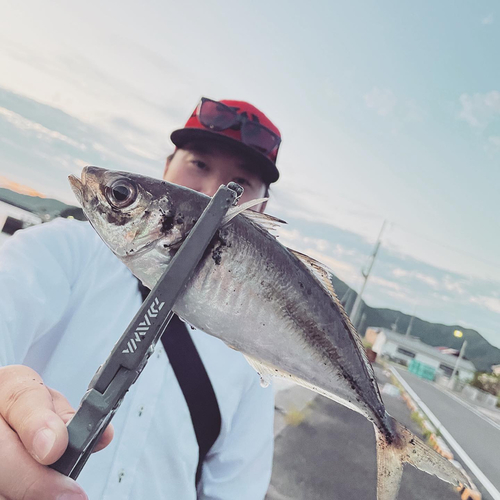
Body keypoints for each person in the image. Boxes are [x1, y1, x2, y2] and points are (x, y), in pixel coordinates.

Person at [0, 97, 282, 500]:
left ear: (261, 209)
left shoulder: (261, 348)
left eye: (239, 186)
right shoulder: (64, 250)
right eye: (199, 164)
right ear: (166, 167)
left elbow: (236, 489)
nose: (209, 194)